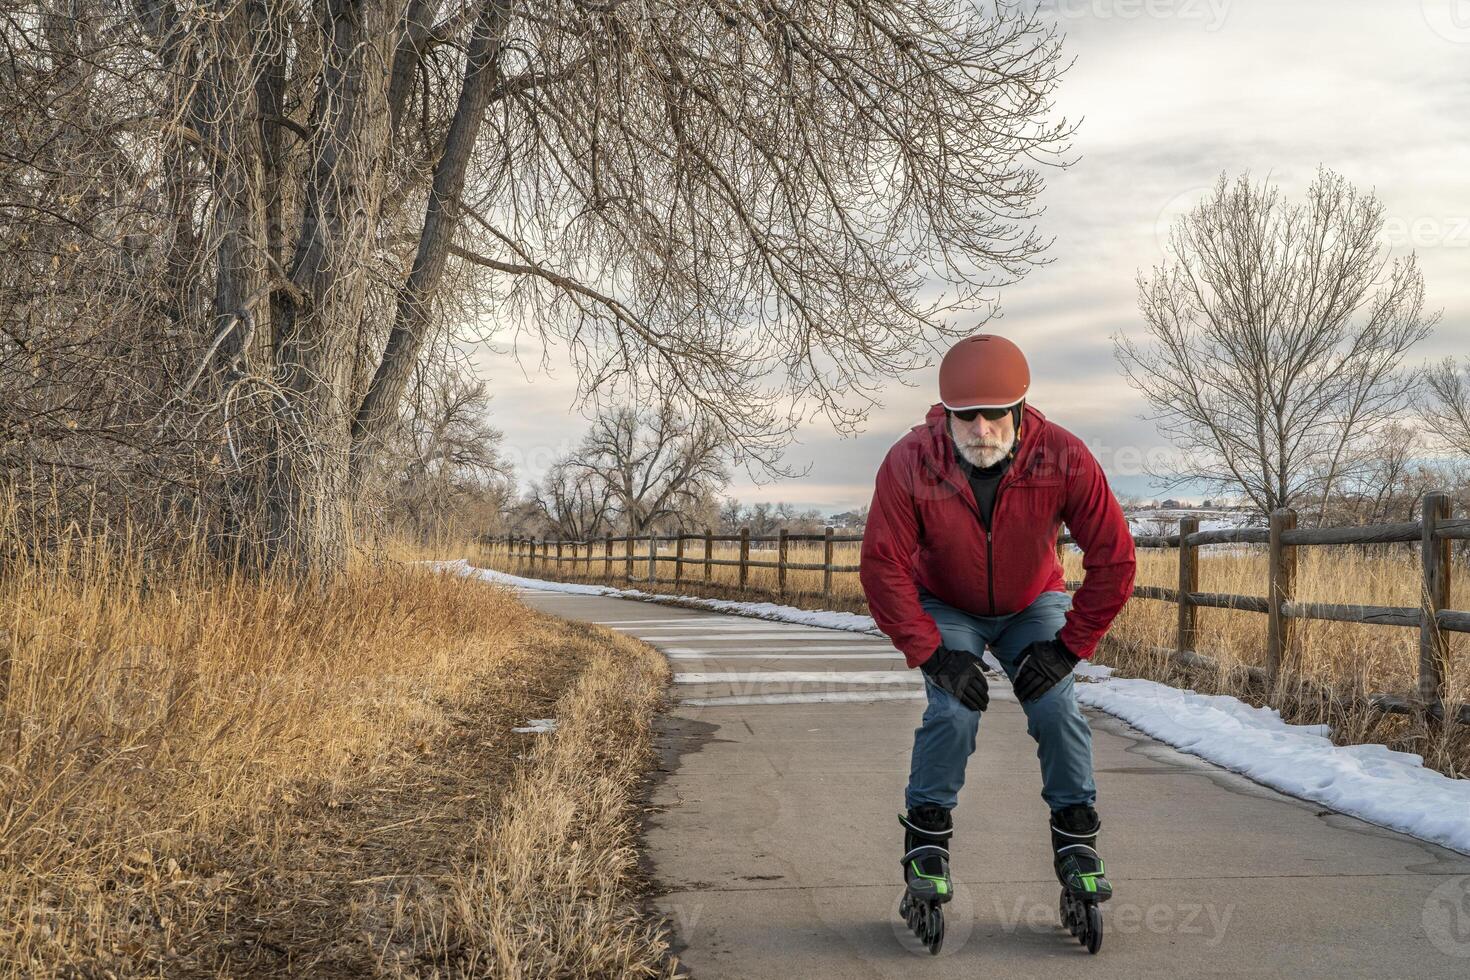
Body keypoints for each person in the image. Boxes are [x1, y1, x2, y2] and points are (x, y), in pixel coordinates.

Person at [859, 333, 1136, 928]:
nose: (981, 428)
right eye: (966, 416)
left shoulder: (1063, 456)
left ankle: (1077, 842)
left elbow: (1114, 558)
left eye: (995, 414)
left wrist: (1068, 648)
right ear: (948, 415)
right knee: (954, 710)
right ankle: (927, 846)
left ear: (1019, 408)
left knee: (1056, 708)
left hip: (1031, 601)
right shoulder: (910, 461)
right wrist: (932, 655)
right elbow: (883, 565)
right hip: (946, 604)